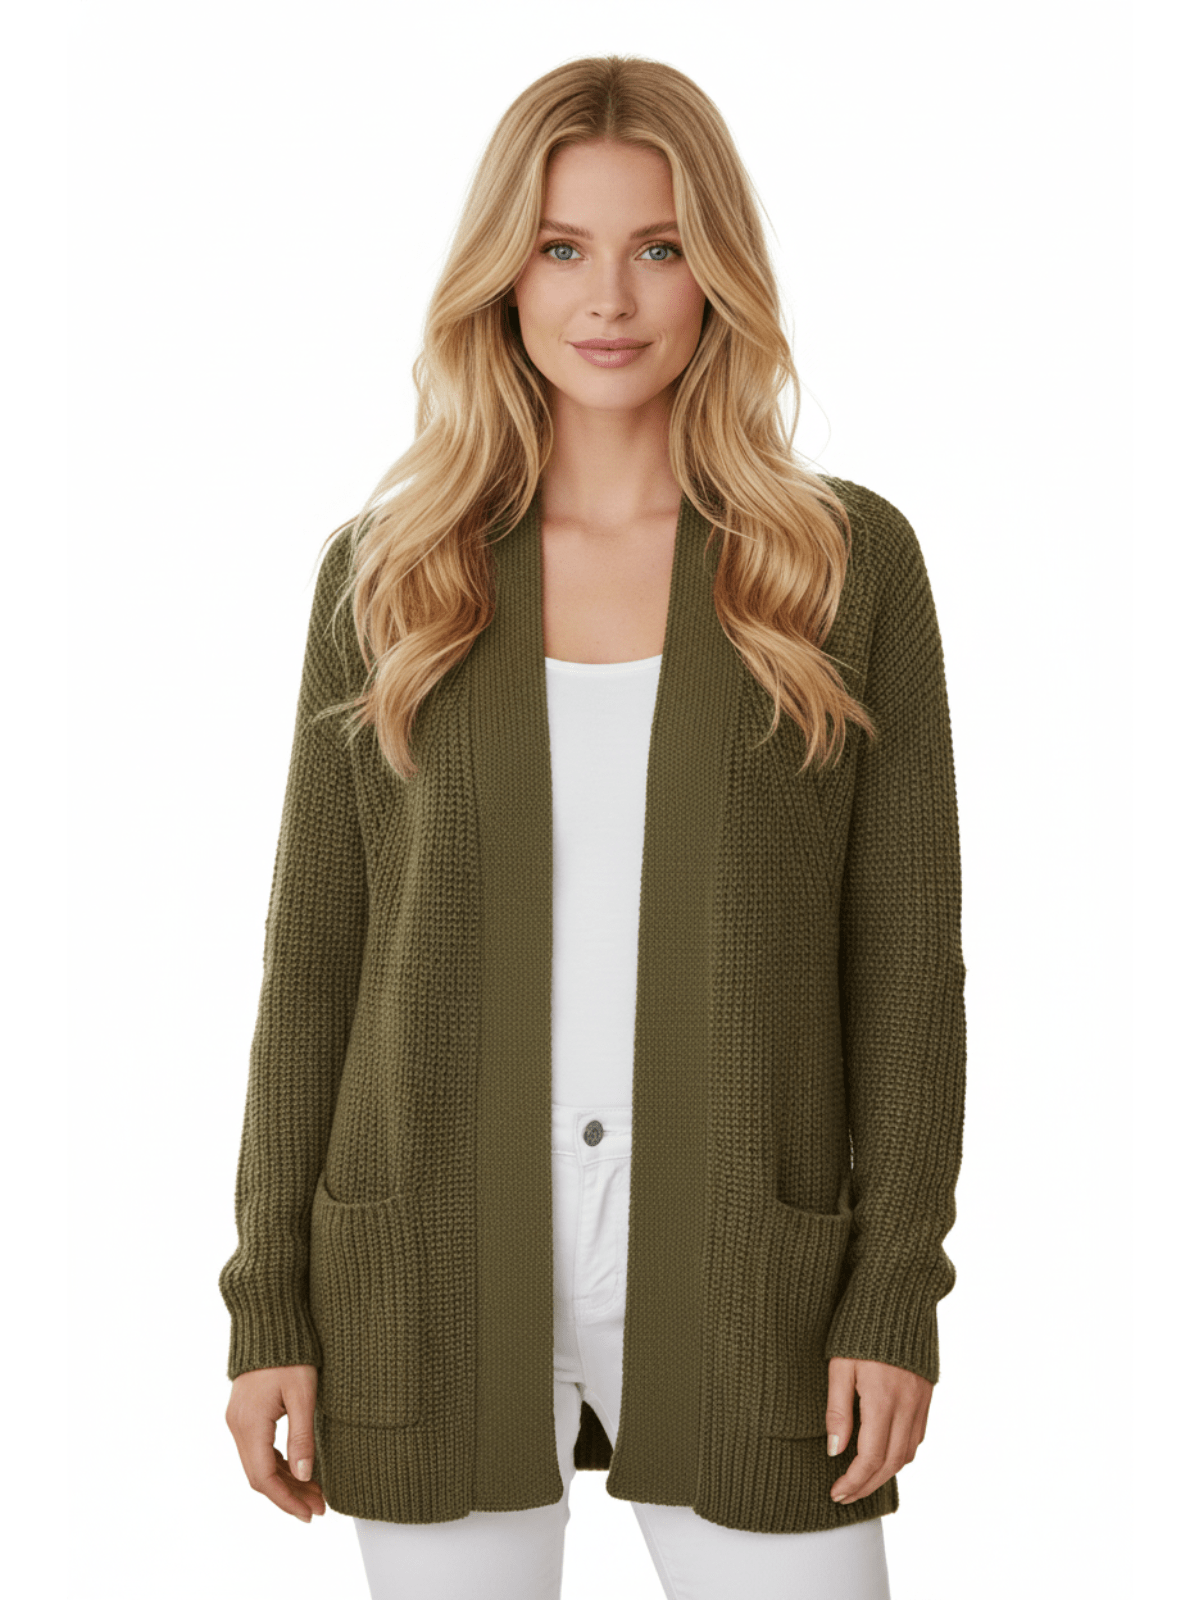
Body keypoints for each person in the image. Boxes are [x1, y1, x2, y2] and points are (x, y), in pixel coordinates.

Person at [219, 54, 966, 1600]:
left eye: (659, 246)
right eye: (562, 246)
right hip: (431, 1264)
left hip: (750, 1271)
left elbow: (903, 971)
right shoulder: (392, 574)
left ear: (718, 272)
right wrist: (268, 1301)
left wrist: (896, 1286)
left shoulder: (838, 566)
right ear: (504, 272)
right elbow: (314, 969)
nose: (608, 297)